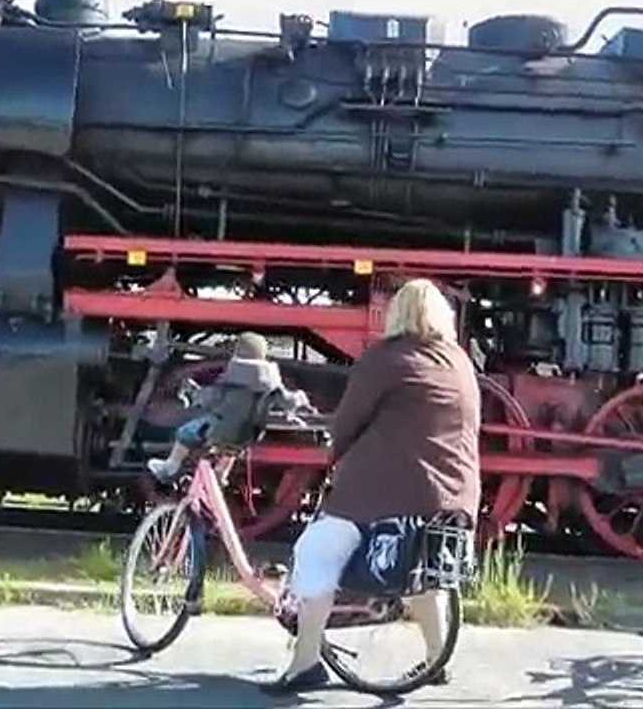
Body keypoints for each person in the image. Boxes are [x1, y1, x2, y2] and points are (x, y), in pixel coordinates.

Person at [263, 278, 483, 693]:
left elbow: (347, 422)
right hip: (455, 497)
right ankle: (436, 659)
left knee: (315, 553)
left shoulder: (387, 358)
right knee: (421, 572)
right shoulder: (459, 361)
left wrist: (334, 460)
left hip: (386, 493)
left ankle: (306, 663)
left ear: (396, 314)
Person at [148, 331, 309, 481]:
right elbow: (287, 400)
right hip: (249, 434)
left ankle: (171, 465)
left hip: (220, 429)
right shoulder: (272, 384)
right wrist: (299, 400)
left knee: (186, 433)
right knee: (231, 450)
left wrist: (194, 395)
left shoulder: (231, 380)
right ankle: (220, 476)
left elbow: (210, 398)